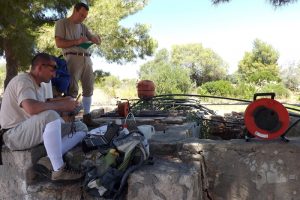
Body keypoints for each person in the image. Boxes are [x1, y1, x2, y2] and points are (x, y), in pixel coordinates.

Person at [0, 53, 88, 181]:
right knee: (51, 115)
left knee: (80, 127)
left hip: (31, 130)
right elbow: (31, 108)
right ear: (40, 67)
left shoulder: (41, 85)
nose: (54, 74)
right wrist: (62, 105)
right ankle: (59, 170)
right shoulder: (23, 80)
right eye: (52, 69)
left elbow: (45, 104)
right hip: (13, 135)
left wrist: (67, 102)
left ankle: (48, 159)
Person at [54, 2, 101, 127]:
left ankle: (87, 116)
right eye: (81, 15)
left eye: (84, 17)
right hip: (72, 57)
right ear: (74, 10)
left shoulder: (83, 27)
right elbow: (59, 43)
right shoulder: (62, 23)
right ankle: (70, 119)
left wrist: (95, 39)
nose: (82, 18)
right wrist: (77, 41)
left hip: (87, 58)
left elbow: (91, 37)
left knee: (89, 88)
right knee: (72, 89)